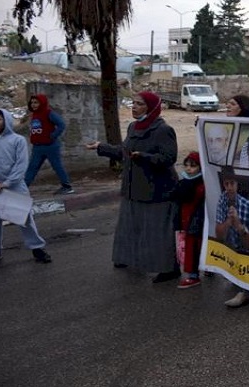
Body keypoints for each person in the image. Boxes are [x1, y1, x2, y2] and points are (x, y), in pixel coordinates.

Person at [86, 92, 179, 283]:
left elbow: (169, 158)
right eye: (133, 103)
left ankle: (169, 268)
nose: (134, 107)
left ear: (151, 108)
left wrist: (144, 157)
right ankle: (128, 258)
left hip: (157, 191)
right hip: (133, 187)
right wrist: (101, 147)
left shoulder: (163, 130)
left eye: (140, 104)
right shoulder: (133, 127)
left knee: (157, 232)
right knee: (131, 227)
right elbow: (124, 151)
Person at [0, 108, 52, 265]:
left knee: (24, 218)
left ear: (6, 120)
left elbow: (21, 165)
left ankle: (37, 248)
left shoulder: (18, 140)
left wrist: (6, 183)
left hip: (14, 186)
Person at [216, 165, 249, 307]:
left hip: (248, 254)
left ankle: (247, 292)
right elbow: (219, 235)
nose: (229, 188)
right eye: (226, 184)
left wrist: (239, 227)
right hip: (232, 252)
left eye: (232, 183)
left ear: (238, 184)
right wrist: (228, 222)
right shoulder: (222, 199)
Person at [23, 94, 74, 194]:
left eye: (36, 102)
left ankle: (67, 186)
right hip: (37, 147)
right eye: (32, 103)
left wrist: (52, 136)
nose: (33, 105)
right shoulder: (34, 114)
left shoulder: (49, 113)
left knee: (57, 166)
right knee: (32, 167)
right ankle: (23, 188)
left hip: (50, 146)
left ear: (42, 103)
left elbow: (61, 124)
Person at [171, 151, 205, 289]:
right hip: (186, 219)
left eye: (193, 166)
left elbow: (190, 197)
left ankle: (193, 276)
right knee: (191, 247)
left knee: (194, 248)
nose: (189, 169)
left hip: (196, 221)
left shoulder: (200, 184)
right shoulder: (185, 181)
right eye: (187, 165)